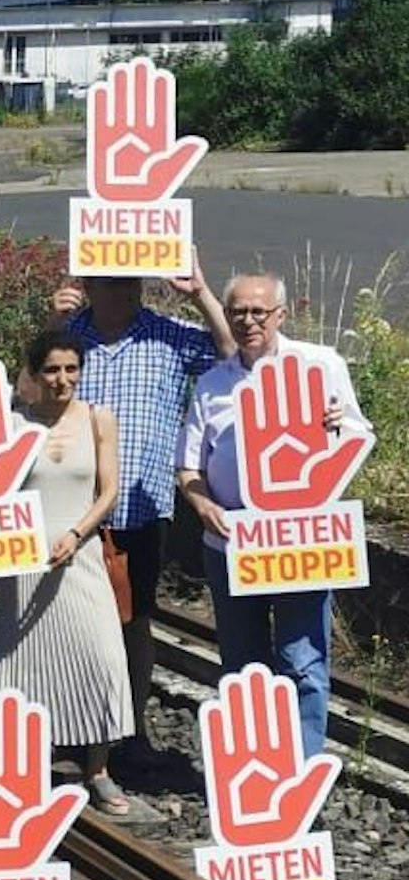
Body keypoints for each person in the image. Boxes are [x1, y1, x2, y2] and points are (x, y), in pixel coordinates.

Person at [178, 274, 371, 758]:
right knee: (242, 664)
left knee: (301, 660)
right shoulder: (213, 383)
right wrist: (204, 505)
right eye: (238, 312)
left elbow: (358, 435)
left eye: (258, 312)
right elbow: (188, 466)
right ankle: (253, 765)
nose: (248, 321)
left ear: (280, 315)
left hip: (299, 541)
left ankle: (301, 769)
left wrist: (337, 427)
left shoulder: (321, 365)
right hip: (232, 543)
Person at [50, 261, 233, 751]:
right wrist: (52, 323)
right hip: (69, 510)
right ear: (88, 284)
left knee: (133, 622)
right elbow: (26, 393)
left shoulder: (167, 334)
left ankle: (129, 729)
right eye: (111, 281)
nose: (123, 291)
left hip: (138, 509)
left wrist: (201, 294)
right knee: (69, 623)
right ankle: (71, 727)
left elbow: (231, 354)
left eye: (130, 281)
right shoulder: (67, 335)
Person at [0, 331, 135, 813]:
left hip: (80, 555)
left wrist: (76, 533)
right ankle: (25, 763)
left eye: (71, 368)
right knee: (22, 662)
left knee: (101, 656)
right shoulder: (14, 423)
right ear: (34, 373)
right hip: (23, 561)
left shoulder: (97, 418)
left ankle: (99, 768)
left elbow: (108, 491)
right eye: (51, 369)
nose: (62, 379)